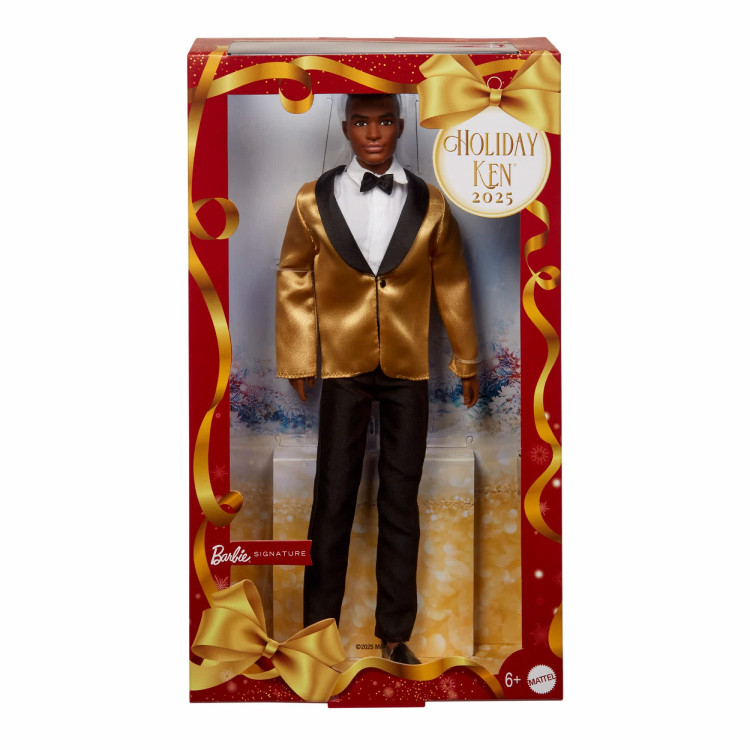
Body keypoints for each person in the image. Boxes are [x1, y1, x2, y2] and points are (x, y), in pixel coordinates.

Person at [275, 93, 479, 664]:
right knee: (332, 497)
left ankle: (395, 633)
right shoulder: (312, 199)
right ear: (345, 127)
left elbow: (453, 280)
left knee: (400, 500)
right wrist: (299, 355)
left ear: (400, 125)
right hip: (343, 364)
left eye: (385, 121)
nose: (373, 133)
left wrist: (466, 359)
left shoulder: (430, 203)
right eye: (362, 122)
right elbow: (294, 271)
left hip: (408, 367)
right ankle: (317, 631)